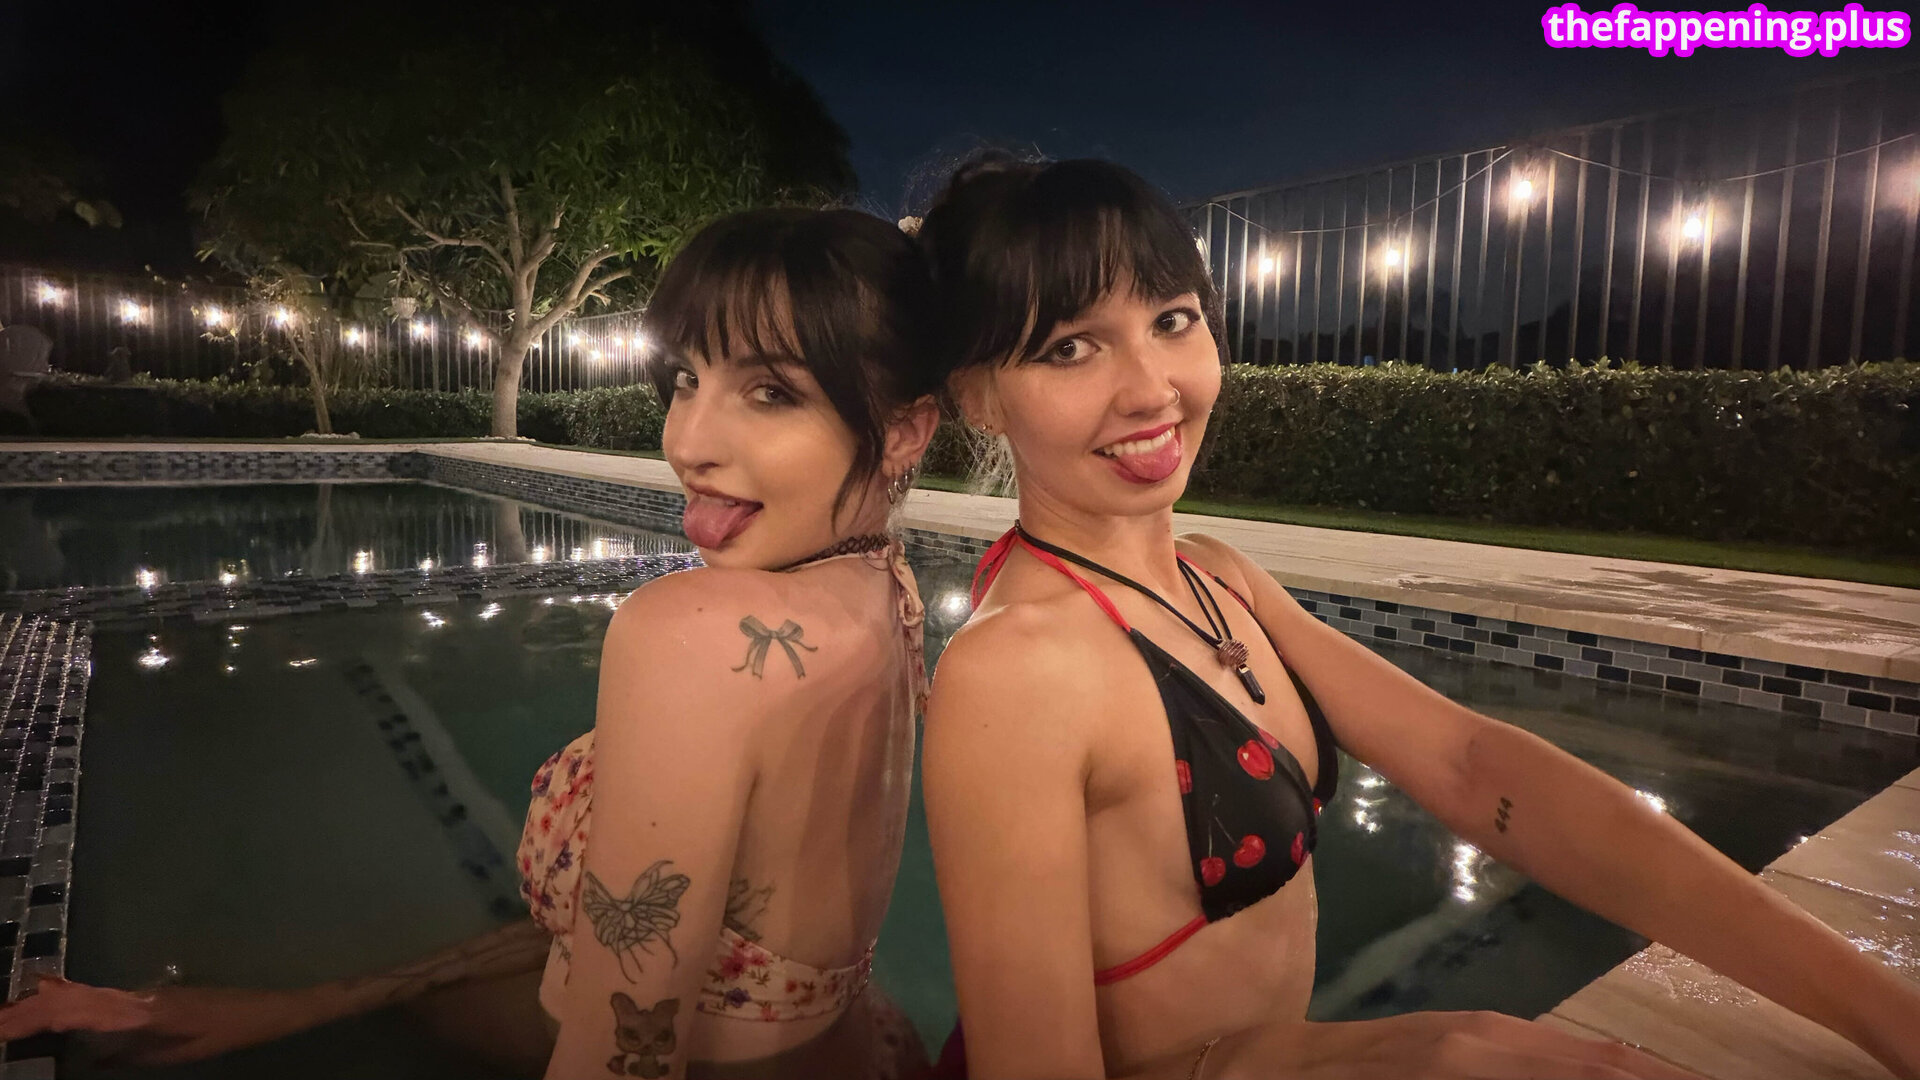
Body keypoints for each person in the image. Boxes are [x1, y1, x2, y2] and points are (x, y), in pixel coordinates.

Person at [912, 154, 1920, 1080]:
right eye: (1071, 347)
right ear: (980, 397)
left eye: (1172, 320)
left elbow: (1474, 768)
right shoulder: (1020, 671)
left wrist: (1879, 1010)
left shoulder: (1214, 577)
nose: (1150, 389)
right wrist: (1386, 1051)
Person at [0, 206, 943, 1080]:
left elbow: (626, 1050)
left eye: (771, 392)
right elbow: (655, 929)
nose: (688, 441)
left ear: (905, 431)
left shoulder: (695, 634)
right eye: (689, 378)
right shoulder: (883, 590)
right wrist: (305, 1005)